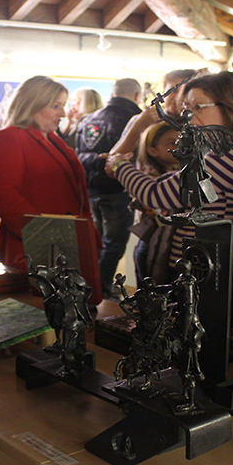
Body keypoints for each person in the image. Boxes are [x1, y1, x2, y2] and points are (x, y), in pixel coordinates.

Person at [105, 71, 233, 319]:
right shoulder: (228, 145)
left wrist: (119, 165)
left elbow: (157, 195)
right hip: (206, 267)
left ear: (232, 106)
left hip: (217, 270)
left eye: (198, 107)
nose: (188, 115)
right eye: (187, 107)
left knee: (197, 346)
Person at [0, 75, 102, 301]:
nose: (63, 112)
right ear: (32, 104)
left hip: (64, 244)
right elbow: (2, 196)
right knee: (36, 316)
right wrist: (44, 235)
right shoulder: (9, 138)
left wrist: (86, 237)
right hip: (34, 247)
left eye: (63, 105)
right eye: (55, 106)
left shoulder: (53, 140)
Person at [75, 78, 142, 299]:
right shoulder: (134, 119)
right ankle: (101, 289)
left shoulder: (88, 119)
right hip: (117, 189)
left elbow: (77, 153)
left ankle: (95, 287)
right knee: (114, 243)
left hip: (91, 189)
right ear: (136, 95)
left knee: (99, 243)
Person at [130, 122, 181, 286]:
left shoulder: (180, 172)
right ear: (152, 150)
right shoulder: (148, 179)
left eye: (181, 141)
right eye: (172, 143)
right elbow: (155, 205)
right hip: (150, 243)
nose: (178, 146)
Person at [112, 69, 197, 156]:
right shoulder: (143, 119)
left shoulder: (198, 124)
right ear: (164, 91)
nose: (177, 97)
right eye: (173, 91)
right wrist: (139, 126)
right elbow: (113, 158)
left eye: (184, 92)